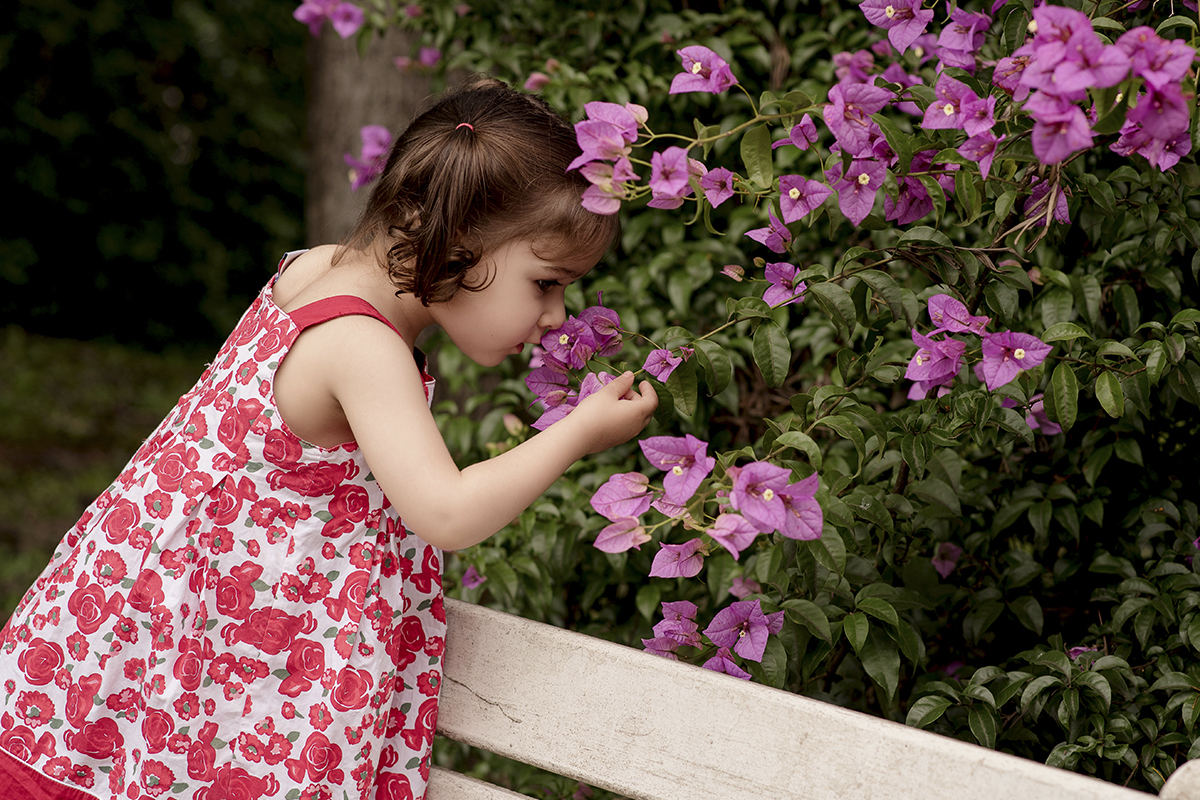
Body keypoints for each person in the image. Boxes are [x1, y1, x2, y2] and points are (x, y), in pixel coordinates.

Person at [0, 78, 657, 800]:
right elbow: (447, 512)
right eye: (546, 283)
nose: (558, 316)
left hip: (173, 621)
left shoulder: (317, 267)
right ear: (458, 242)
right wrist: (578, 431)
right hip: (212, 651)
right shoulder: (361, 344)